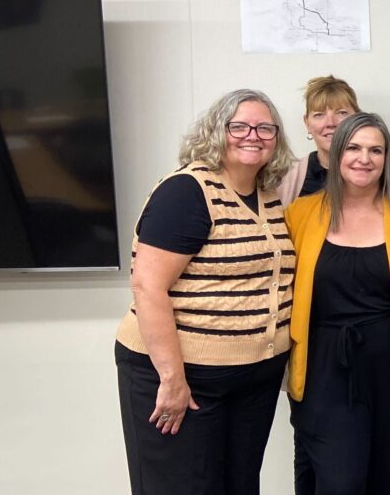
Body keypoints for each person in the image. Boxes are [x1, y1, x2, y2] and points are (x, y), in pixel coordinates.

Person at [113, 89, 296, 495]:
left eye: (266, 127)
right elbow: (147, 285)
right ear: (216, 132)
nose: (254, 135)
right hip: (186, 378)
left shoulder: (266, 195)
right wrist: (173, 379)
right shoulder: (187, 192)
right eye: (240, 126)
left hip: (252, 380)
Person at [285, 112, 390, 495]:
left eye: (375, 150)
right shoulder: (301, 214)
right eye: (354, 148)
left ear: (386, 158)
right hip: (324, 368)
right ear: (337, 153)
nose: (364, 158)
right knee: (338, 481)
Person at [279, 75, 360, 205]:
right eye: (319, 115)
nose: (331, 123)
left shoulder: (377, 170)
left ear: (357, 119)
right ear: (307, 123)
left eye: (341, 113)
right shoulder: (287, 176)